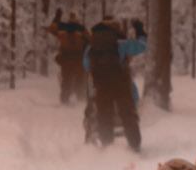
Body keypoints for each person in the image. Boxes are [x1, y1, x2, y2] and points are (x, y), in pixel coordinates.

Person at [84, 18, 146, 150]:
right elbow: (142, 46)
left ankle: (107, 147)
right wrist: (140, 30)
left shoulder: (92, 45)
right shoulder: (121, 44)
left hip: (101, 85)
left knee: (104, 115)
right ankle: (134, 146)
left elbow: (86, 65)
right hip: (121, 84)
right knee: (128, 114)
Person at [48, 9, 88, 106]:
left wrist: (57, 17)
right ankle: (81, 100)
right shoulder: (82, 29)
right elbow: (89, 41)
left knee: (66, 79)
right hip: (79, 58)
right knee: (80, 79)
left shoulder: (62, 27)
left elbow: (51, 29)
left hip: (66, 58)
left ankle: (65, 99)